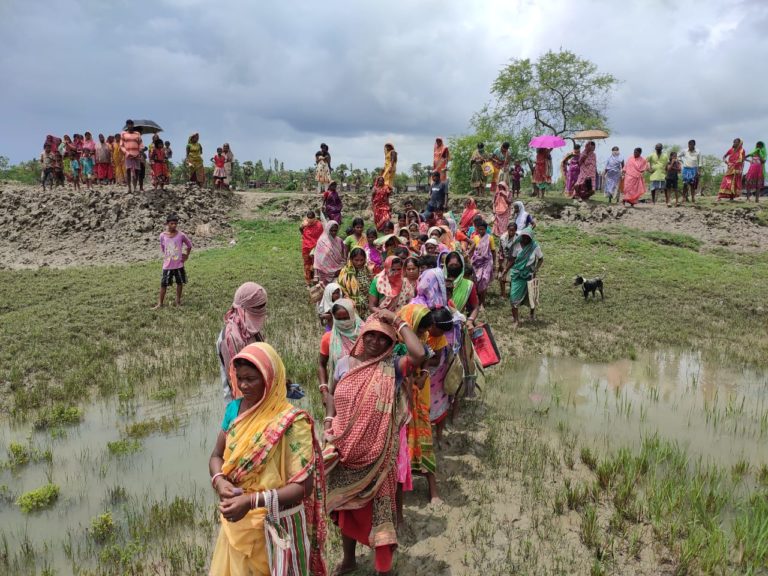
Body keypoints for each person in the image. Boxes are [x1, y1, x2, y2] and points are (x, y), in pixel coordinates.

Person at [209, 343, 326, 576]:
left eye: (251, 379)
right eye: (239, 378)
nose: (243, 385)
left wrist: (251, 502)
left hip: (276, 524)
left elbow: (303, 486)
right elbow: (216, 456)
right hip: (236, 522)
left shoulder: (292, 422)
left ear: (270, 379)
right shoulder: (234, 410)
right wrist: (220, 482)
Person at [324, 312, 425, 576]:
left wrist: (398, 320)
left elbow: (419, 355)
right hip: (345, 454)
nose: (375, 342)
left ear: (391, 343)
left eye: (383, 338)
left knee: (380, 516)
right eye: (371, 334)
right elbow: (334, 395)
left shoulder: (393, 367)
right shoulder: (344, 364)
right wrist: (328, 421)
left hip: (379, 460)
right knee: (347, 511)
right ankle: (349, 560)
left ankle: (383, 569)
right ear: (361, 334)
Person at [396, 304, 450, 505]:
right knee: (400, 445)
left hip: (417, 396)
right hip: (400, 398)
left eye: (425, 331)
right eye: (420, 330)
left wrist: (425, 374)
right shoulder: (395, 341)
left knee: (423, 439)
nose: (424, 334)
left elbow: (426, 356)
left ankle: (433, 489)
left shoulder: (423, 337)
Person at [216, 282, 268, 399]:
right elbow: (236, 381)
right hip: (243, 401)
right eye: (259, 307)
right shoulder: (231, 338)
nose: (262, 311)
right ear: (246, 307)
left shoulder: (248, 326)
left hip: (259, 393)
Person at [318, 298, 362, 406]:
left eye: (346, 318)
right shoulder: (328, 338)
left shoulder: (365, 334)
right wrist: (324, 391)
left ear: (352, 315)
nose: (343, 322)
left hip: (364, 392)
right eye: (339, 319)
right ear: (334, 318)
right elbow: (321, 364)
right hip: (340, 393)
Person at [505, 227, 543, 327]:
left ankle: (532, 314)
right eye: (524, 237)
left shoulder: (534, 247)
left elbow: (541, 259)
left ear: (531, 238)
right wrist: (505, 270)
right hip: (517, 275)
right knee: (513, 298)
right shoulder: (517, 245)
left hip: (529, 275)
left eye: (528, 238)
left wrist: (536, 269)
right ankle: (516, 321)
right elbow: (512, 260)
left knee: (531, 296)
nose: (525, 239)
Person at [154, 213, 192, 309]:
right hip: (167, 265)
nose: (174, 225)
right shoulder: (162, 235)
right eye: (171, 223)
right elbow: (163, 248)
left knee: (179, 283)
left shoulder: (181, 235)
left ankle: (178, 301)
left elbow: (189, 245)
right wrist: (168, 256)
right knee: (163, 284)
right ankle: (160, 304)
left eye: (175, 223)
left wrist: (186, 255)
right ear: (167, 224)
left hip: (179, 265)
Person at [338, 248, 373, 318]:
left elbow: (372, 286)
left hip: (367, 307)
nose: (359, 263)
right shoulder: (345, 272)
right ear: (351, 259)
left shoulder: (367, 270)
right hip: (352, 308)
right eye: (356, 260)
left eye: (361, 260)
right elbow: (341, 288)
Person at [468, 220, 496, 306]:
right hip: (477, 263)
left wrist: (494, 264)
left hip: (486, 263)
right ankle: (476, 301)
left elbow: (493, 251)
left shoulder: (490, 238)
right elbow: (473, 249)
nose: (481, 231)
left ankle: (482, 303)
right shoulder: (475, 238)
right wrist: (469, 258)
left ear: (486, 229)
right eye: (479, 229)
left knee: (484, 280)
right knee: (476, 281)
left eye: (483, 229)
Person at [313, 220, 346, 285]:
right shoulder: (322, 242)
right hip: (324, 273)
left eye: (335, 230)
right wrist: (315, 275)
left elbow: (343, 256)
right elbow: (317, 260)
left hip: (338, 272)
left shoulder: (339, 241)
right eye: (331, 230)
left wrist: (341, 268)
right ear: (327, 229)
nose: (333, 232)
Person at [300, 211, 324, 286]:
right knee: (307, 264)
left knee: (315, 265)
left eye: (311, 222)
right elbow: (301, 231)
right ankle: (308, 282)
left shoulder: (319, 225)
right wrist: (302, 226)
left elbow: (322, 237)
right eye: (308, 221)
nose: (309, 223)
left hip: (316, 248)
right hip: (306, 247)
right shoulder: (304, 224)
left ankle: (315, 280)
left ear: (315, 219)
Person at [120, 120, 143, 193]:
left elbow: (141, 144)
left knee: (136, 172)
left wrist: (139, 151)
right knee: (128, 171)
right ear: (127, 126)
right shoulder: (123, 134)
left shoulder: (137, 134)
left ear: (133, 125)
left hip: (136, 155)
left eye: (131, 124)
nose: (130, 126)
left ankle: (135, 187)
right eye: (128, 125)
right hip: (128, 155)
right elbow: (121, 145)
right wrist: (126, 152)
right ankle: (129, 188)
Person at [497, 221, 518, 297]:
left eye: (513, 230)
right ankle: (503, 293)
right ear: (507, 229)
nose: (511, 232)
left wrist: (506, 268)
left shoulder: (517, 239)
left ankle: (512, 293)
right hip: (505, 258)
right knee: (502, 277)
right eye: (510, 230)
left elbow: (515, 256)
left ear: (515, 230)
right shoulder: (503, 237)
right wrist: (500, 262)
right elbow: (500, 250)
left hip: (515, 260)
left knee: (513, 277)